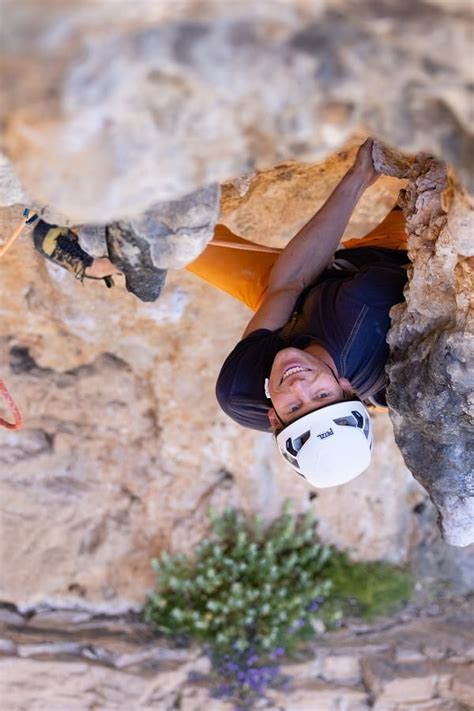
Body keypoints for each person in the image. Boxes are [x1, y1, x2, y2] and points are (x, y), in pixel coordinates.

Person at [32, 139, 408, 489]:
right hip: (388, 255)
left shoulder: (241, 393)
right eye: (322, 395)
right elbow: (290, 282)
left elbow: (284, 289)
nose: (298, 386)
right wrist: (358, 177)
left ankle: (105, 263)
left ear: (273, 417)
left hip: (297, 304)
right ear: (345, 387)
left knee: (167, 241)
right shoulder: (364, 310)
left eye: (294, 407)